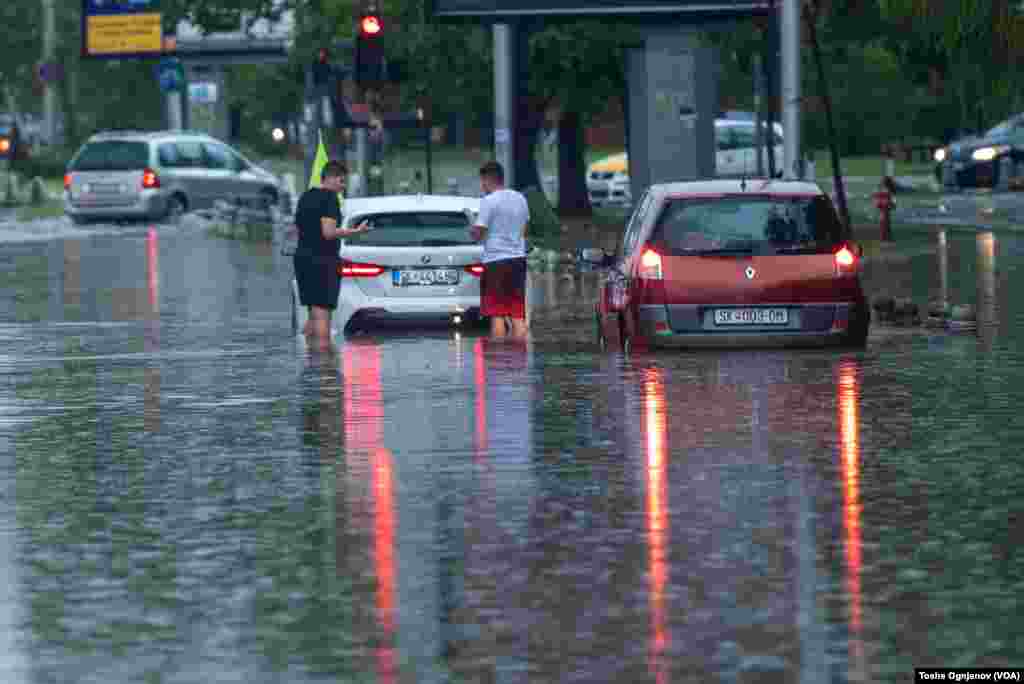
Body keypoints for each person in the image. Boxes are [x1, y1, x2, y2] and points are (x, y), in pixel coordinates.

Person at [293, 159, 370, 347]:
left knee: (312, 314)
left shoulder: (305, 196)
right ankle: (323, 365)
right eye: (341, 181)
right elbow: (328, 233)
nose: (343, 187)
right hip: (322, 261)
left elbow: (299, 228)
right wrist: (356, 232)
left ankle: (306, 359)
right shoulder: (329, 199)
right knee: (322, 313)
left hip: (302, 260)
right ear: (331, 178)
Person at [471, 161, 530, 339]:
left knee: (497, 314)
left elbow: (478, 234)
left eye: (482, 181)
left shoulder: (488, 202)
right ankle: (520, 358)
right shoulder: (520, 198)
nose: (482, 186)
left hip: (496, 261)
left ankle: (499, 360)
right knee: (517, 314)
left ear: (487, 179)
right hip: (518, 259)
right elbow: (525, 228)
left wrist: (472, 229)